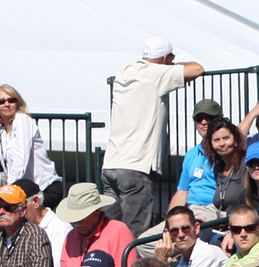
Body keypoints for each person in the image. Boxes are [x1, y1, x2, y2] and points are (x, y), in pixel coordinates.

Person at [100, 37, 204, 237]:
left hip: (111, 163)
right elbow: (197, 69)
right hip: (136, 166)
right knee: (134, 234)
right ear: (167, 58)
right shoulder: (157, 74)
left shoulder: (125, 72)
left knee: (110, 231)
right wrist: (171, 67)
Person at [0, 84, 61, 205]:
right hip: (23, 190)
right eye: (1, 101)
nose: (7, 104)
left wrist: (9, 189)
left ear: (17, 103)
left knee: (23, 221)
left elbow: (22, 159)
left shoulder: (22, 120)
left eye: (11, 100)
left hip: (43, 188)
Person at [166, 98, 222, 219]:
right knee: (147, 237)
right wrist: (168, 223)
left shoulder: (227, 151)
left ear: (219, 119)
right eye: (199, 119)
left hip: (214, 209)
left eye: (209, 117)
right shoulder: (191, 154)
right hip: (190, 211)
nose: (203, 122)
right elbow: (182, 192)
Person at [155, 205, 227, 267]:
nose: (180, 235)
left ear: (196, 228)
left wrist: (162, 262)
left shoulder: (207, 254)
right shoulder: (183, 263)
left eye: (185, 228)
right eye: (174, 230)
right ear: (167, 234)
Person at [206, 119, 249, 217]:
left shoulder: (246, 164)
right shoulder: (219, 168)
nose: (221, 143)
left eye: (226, 138)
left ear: (235, 139)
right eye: (216, 140)